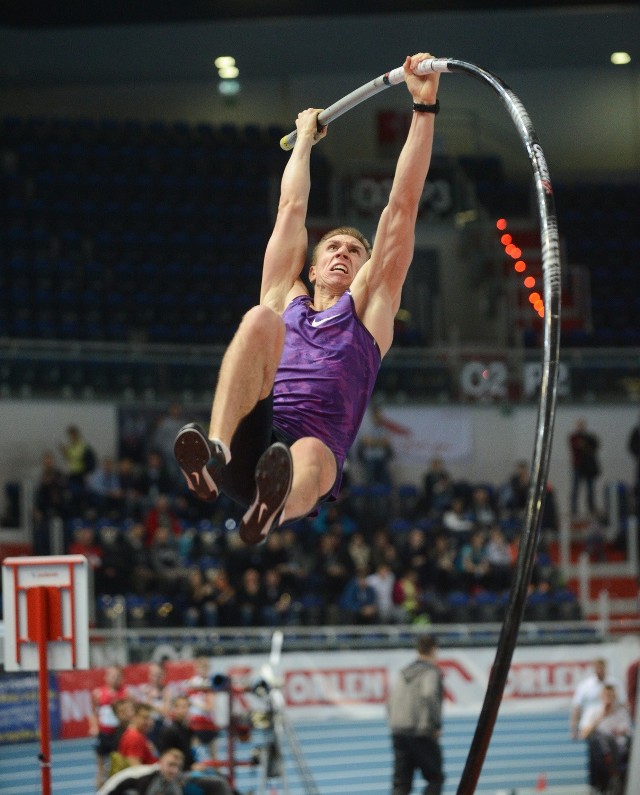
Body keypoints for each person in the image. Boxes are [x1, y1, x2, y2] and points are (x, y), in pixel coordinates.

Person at [173, 53, 440, 546]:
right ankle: (213, 455)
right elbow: (291, 208)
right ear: (312, 268)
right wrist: (302, 146)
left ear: (365, 269)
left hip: (301, 470)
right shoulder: (285, 296)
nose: (343, 253)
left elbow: (401, 207)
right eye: (333, 248)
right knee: (258, 321)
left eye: (354, 251)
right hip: (250, 445)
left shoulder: (369, 313)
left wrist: (423, 109)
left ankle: (266, 513)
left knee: (314, 453)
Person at [387, 634, 444, 795]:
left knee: (401, 784)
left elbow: (390, 701)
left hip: (399, 730)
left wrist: (394, 723)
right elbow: (429, 695)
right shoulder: (430, 672)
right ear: (433, 650)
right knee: (435, 778)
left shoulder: (403, 672)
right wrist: (436, 724)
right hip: (421, 731)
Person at [579, 683, 632, 793]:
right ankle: (605, 781)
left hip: (619, 750)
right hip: (601, 752)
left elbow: (627, 732)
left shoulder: (621, 712)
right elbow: (584, 734)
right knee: (597, 739)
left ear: (615, 697)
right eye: (606, 695)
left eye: (611, 696)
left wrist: (621, 732)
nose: (609, 699)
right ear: (601, 696)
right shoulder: (593, 711)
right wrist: (601, 716)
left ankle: (617, 777)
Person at [89, 664, 131, 788]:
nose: (115, 679)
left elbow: (130, 712)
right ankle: (100, 790)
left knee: (119, 764)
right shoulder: (98, 693)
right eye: (112, 676)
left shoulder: (125, 693)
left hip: (119, 733)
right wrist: (94, 727)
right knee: (101, 768)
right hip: (104, 733)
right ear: (106, 677)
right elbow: (92, 712)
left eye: (118, 676)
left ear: (122, 678)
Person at [97, 747, 186, 795]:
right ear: (160, 763)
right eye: (171, 765)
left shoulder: (170, 778)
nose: (175, 770)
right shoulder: (145, 778)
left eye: (179, 766)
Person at [570, 658, 620, 740]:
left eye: (601, 668)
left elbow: (622, 703)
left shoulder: (614, 683)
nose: (599, 670)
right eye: (597, 668)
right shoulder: (585, 686)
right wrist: (573, 728)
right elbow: (577, 707)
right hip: (591, 722)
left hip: (611, 722)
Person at [568, 417, 601, 517]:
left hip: (588, 467)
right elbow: (577, 446)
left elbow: (595, 445)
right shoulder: (574, 437)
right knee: (575, 488)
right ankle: (574, 509)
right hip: (578, 466)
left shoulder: (588, 437)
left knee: (590, 489)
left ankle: (591, 508)